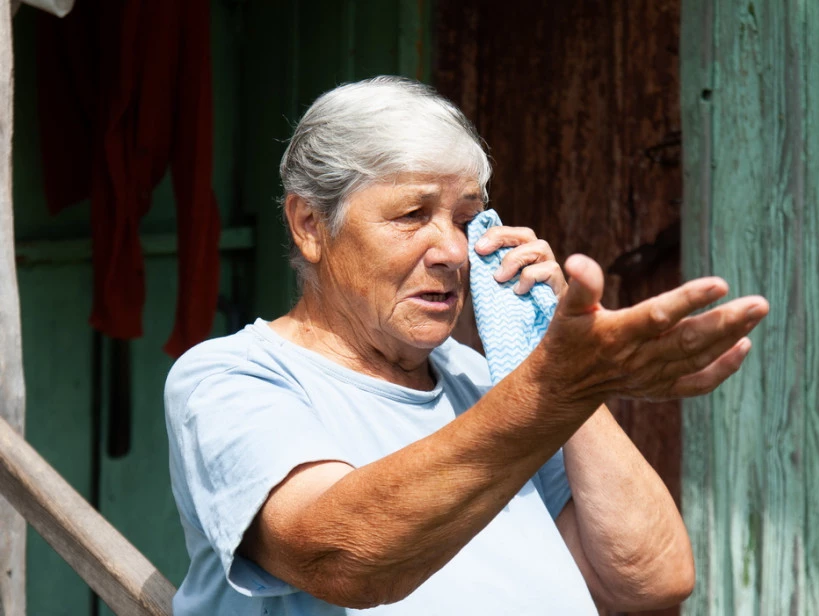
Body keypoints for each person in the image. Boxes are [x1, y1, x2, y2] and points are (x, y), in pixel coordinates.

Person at [164, 76, 769, 615]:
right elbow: (345, 559)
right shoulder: (233, 379)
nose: (453, 252)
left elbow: (650, 583)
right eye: (412, 214)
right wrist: (552, 391)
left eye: (465, 218)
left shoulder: (485, 379)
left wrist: (570, 369)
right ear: (311, 226)